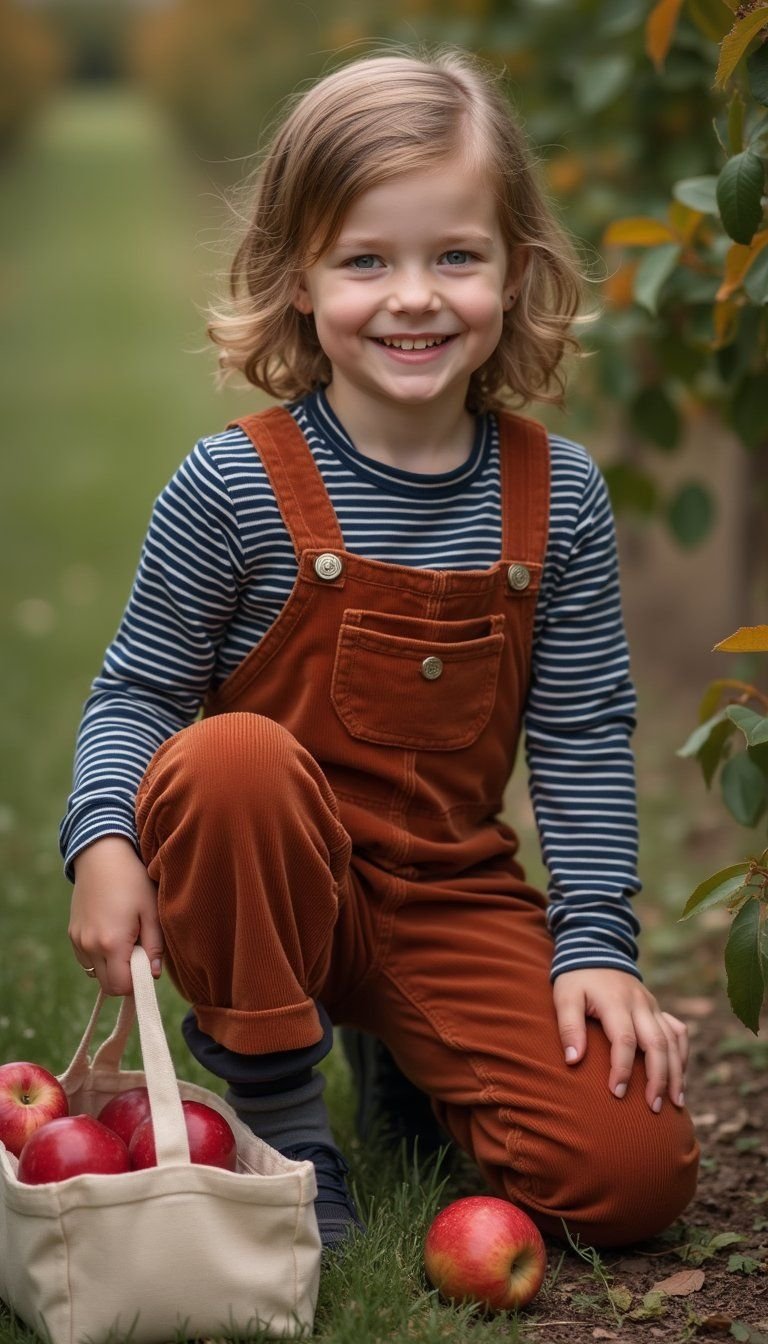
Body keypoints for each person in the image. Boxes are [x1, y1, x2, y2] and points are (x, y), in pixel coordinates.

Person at [62, 47, 699, 1253]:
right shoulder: (233, 488)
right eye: (367, 260)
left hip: (445, 897)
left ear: (516, 271)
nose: (415, 296)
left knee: (634, 1179)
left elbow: (577, 731)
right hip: (263, 893)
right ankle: (286, 1115)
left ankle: (414, 1065)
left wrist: (596, 943)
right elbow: (137, 692)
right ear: (298, 279)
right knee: (230, 759)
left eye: (455, 255)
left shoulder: (557, 496)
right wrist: (102, 838)